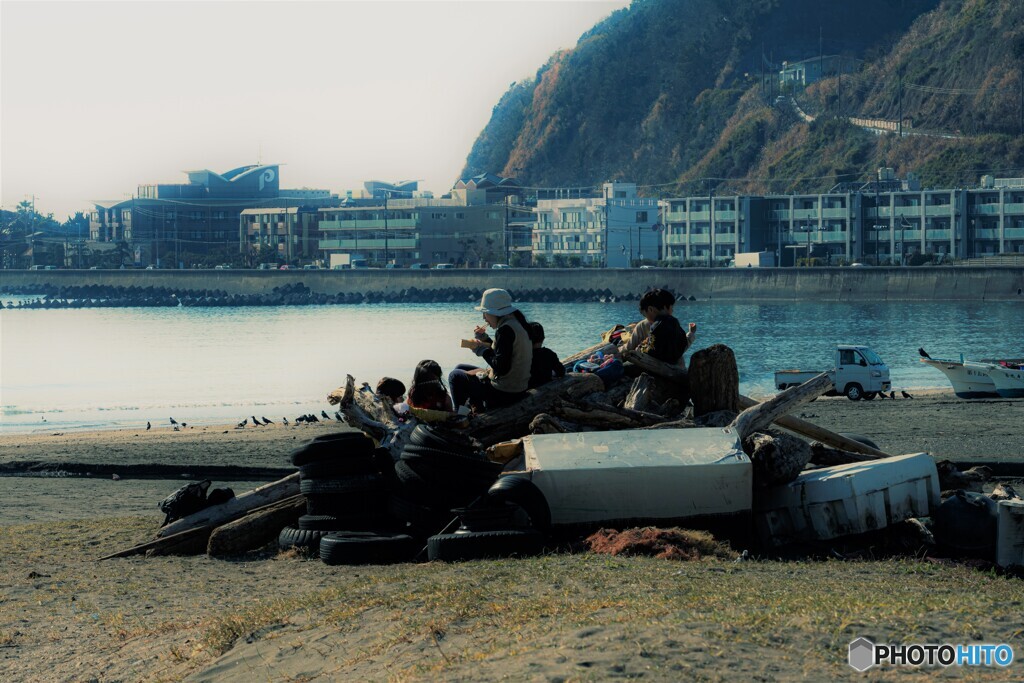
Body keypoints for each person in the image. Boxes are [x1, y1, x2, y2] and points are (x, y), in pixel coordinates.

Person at [449, 288, 533, 412]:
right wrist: (483, 338)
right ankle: (473, 407)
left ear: (495, 313)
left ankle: (459, 415)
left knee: (454, 376)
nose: (484, 317)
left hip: (504, 392)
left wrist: (481, 350)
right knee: (460, 366)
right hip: (517, 387)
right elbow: (502, 351)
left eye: (485, 313)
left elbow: (501, 367)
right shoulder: (515, 323)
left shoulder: (504, 330)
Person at [625, 288, 695, 366]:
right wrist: (691, 333)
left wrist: (639, 349)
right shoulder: (674, 323)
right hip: (676, 370)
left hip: (656, 369)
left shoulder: (646, 326)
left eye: (645, 315)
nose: (672, 311)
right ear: (665, 308)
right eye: (672, 308)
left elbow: (647, 350)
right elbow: (682, 346)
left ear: (650, 309)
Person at [527, 322, 565, 389]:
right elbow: (561, 371)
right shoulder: (549, 353)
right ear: (543, 338)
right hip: (546, 388)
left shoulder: (524, 356)